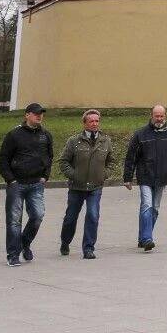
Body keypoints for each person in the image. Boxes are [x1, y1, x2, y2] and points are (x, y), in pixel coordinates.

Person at [0, 103, 53, 266]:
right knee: (14, 221)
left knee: (37, 216)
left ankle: (24, 242)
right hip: (17, 184)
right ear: (27, 115)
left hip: (36, 183)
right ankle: (13, 254)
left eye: (41, 113)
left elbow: (49, 157)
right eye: (36, 113)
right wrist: (10, 180)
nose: (39, 116)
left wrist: (45, 176)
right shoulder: (14, 135)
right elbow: (3, 159)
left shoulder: (45, 135)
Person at [123, 105, 167, 252]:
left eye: (161, 116)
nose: (159, 119)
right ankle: (147, 238)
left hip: (161, 178)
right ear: (151, 116)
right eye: (156, 116)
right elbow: (131, 157)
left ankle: (142, 237)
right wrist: (128, 177)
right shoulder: (141, 134)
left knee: (155, 208)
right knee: (147, 205)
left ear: (165, 116)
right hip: (145, 176)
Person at [58, 109, 114, 259]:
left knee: (93, 216)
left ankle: (88, 248)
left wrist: (104, 174)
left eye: (97, 121)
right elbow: (63, 162)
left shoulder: (105, 141)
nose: (95, 124)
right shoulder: (74, 141)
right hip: (77, 187)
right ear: (84, 123)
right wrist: (74, 175)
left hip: (95, 186)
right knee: (71, 217)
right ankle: (65, 241)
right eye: (91, 121)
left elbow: (111, 161)